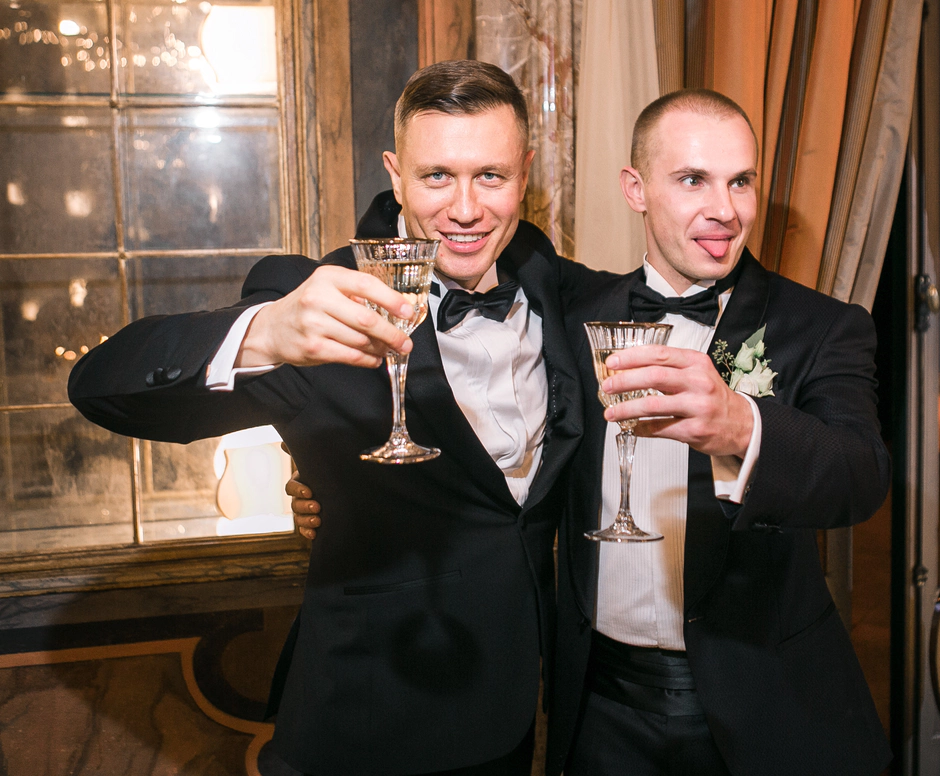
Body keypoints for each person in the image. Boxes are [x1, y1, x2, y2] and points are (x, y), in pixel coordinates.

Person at [294, 90, 892, 776]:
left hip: (762, 705)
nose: (724, 209)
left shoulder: (822, 326)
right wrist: (333, 486)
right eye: (692, 180)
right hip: (598, 709)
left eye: (741, 182)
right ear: (635, 189)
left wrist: (742, 425)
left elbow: (861, 473)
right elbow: (480, 419)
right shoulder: (572, 311)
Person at [69, 60, 602, 776]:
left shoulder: (547, 279)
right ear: (395, 175)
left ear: (526, 173)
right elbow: (100, 387)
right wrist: (264, 334)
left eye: (491, 176)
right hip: (363, 720)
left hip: (508, 720)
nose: (466, 208)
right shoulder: (318, 299)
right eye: (437, 176)